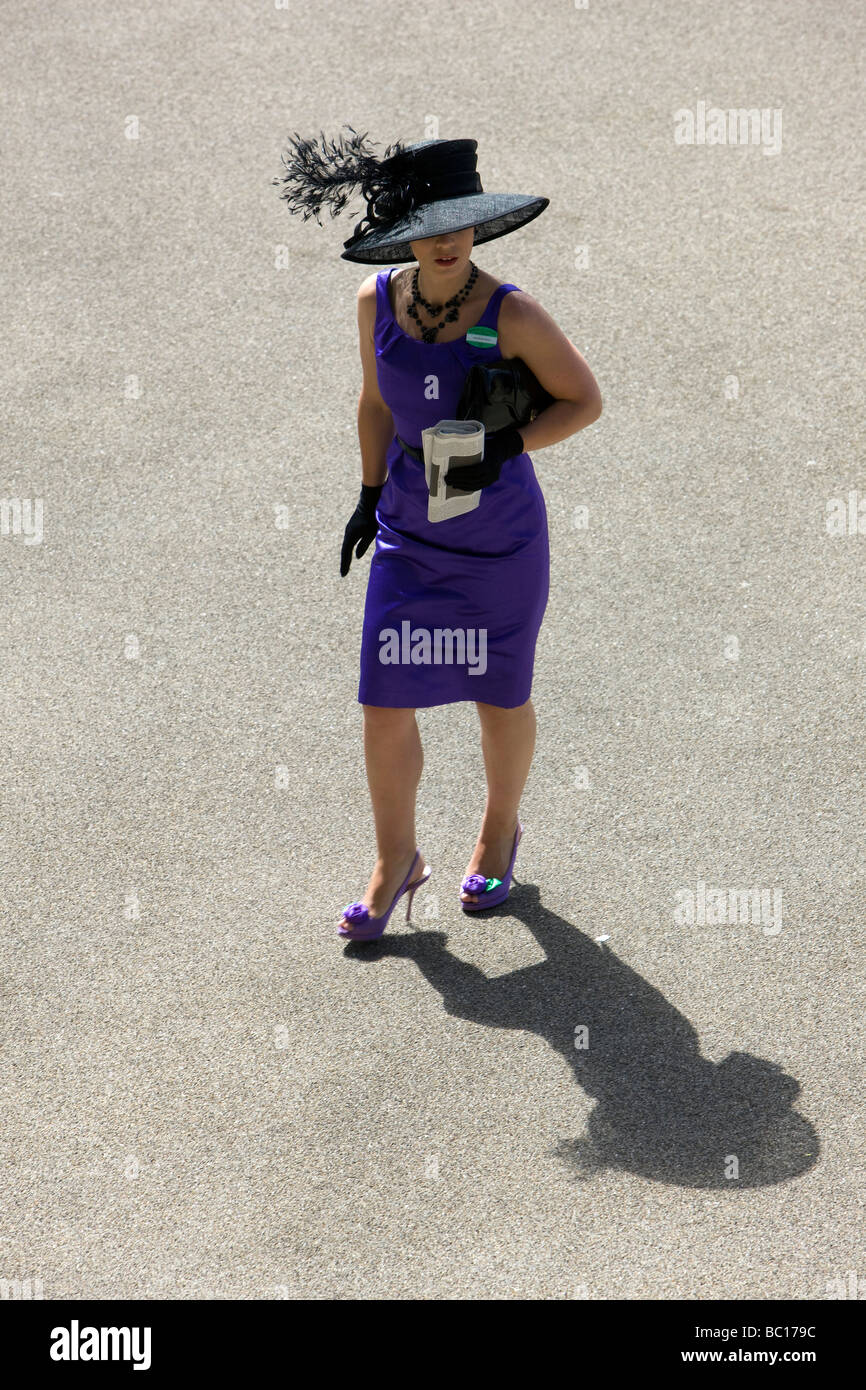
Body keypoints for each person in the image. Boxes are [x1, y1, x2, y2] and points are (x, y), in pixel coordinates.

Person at [274, 128, 602, 940]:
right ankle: (396, 861)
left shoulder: (511, 312)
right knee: (384, 704)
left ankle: (498, 831)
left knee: (499, 696)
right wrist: (366, 493)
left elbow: (583, 400)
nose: (448, 239)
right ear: (403, 232)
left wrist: (507, 443)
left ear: (480, 225)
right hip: (410, 534)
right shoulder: (376, 300)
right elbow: (376, 404)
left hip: (500, 541)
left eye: (460, 222)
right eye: (429, 223)